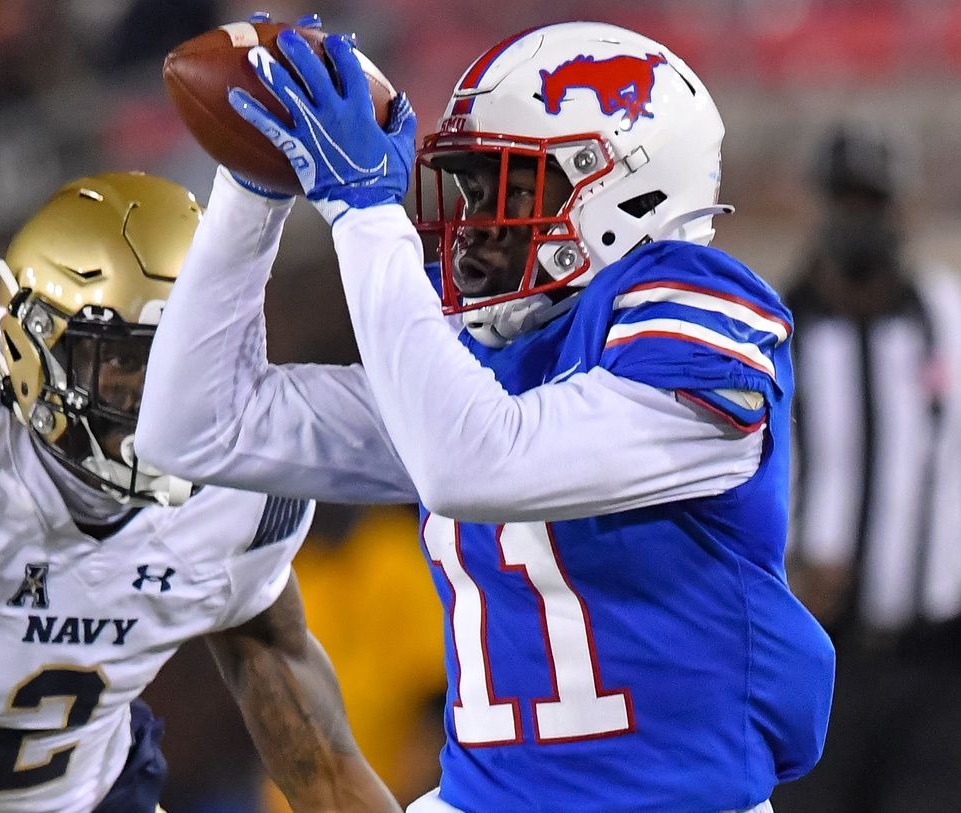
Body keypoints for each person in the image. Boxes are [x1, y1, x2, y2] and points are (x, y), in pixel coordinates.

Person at [137, 20, 835, 813]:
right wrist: (256, 175)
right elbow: (195, 425)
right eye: (470, 190)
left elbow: (476, 465)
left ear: (625, 192)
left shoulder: (696, 318)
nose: (474, 225)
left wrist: (365, 213)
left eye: (511, 188)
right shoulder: (486, 363)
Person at [0, 172, 398, 813]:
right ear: (33, 348)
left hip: (99, 793)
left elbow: (323, 763)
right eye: (124, 360)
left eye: (188, 352)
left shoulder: (249, 488)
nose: (162, 394)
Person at [773, 123, 961, 812]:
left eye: (872, 202)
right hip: (822, 661)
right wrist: (786, 569)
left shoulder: (948, 319)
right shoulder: (772, 333)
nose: (860, 220)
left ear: (900, 210)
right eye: (846, 202)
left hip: (937, 666)